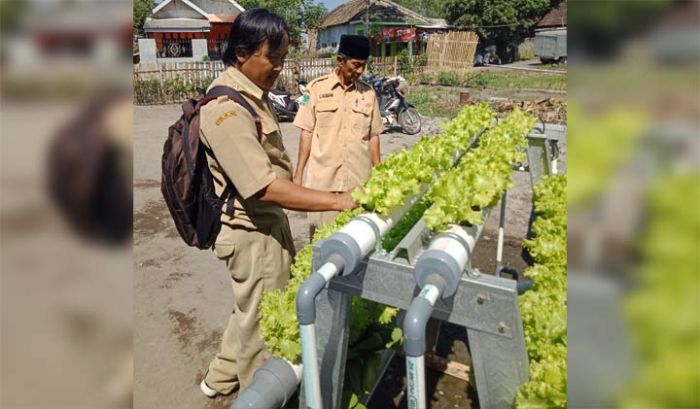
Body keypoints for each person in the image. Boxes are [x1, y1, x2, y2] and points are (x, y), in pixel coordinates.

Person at [197, 9, 356, 398]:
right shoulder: (227, 110)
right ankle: (258, 396)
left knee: (248, 312)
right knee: (262, 335)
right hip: (253, 235)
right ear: (242, 53)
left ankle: (216, 381)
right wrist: (338, 200)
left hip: (266, 228)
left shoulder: (252, 96)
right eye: (273, 58)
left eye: (284, 59)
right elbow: (263, 187)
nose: (279, 68)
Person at [292, 35, 382, 239]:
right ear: (340, 61)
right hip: (323, 188)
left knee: (358, 244)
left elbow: (374, 135)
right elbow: (306, 133)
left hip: (358, 186)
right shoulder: (315, 89)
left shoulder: (368, 93)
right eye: (356, 65)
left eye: (364, 66)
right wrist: (298, 175)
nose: (360, 71)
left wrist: (379, 173)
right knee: (323, 245)